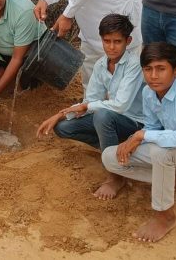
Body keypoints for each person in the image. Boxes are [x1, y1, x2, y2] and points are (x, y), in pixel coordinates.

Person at [102, 42, 176, 242]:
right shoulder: (148, 92)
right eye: (148, 69)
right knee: (110, 156)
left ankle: (165, 216)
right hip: (171, 153)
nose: (154, 76)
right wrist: (133, 139)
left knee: (162, 153)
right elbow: (152, 126)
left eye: (161, 69)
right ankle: (169, 179)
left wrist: (141, 136)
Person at [36, 14, 144, 199]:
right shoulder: (101, 64)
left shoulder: (135, 64)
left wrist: (87, 107)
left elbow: (120, 105)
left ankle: (115, 176)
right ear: (101, 39)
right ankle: (114, 148)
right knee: (63, 127)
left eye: (117, 41)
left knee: (102, 116)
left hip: (135, 123)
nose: (111, 47)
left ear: (128, 41)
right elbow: (90, 100)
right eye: (107, 41)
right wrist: (60, 115)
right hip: (113, 120)